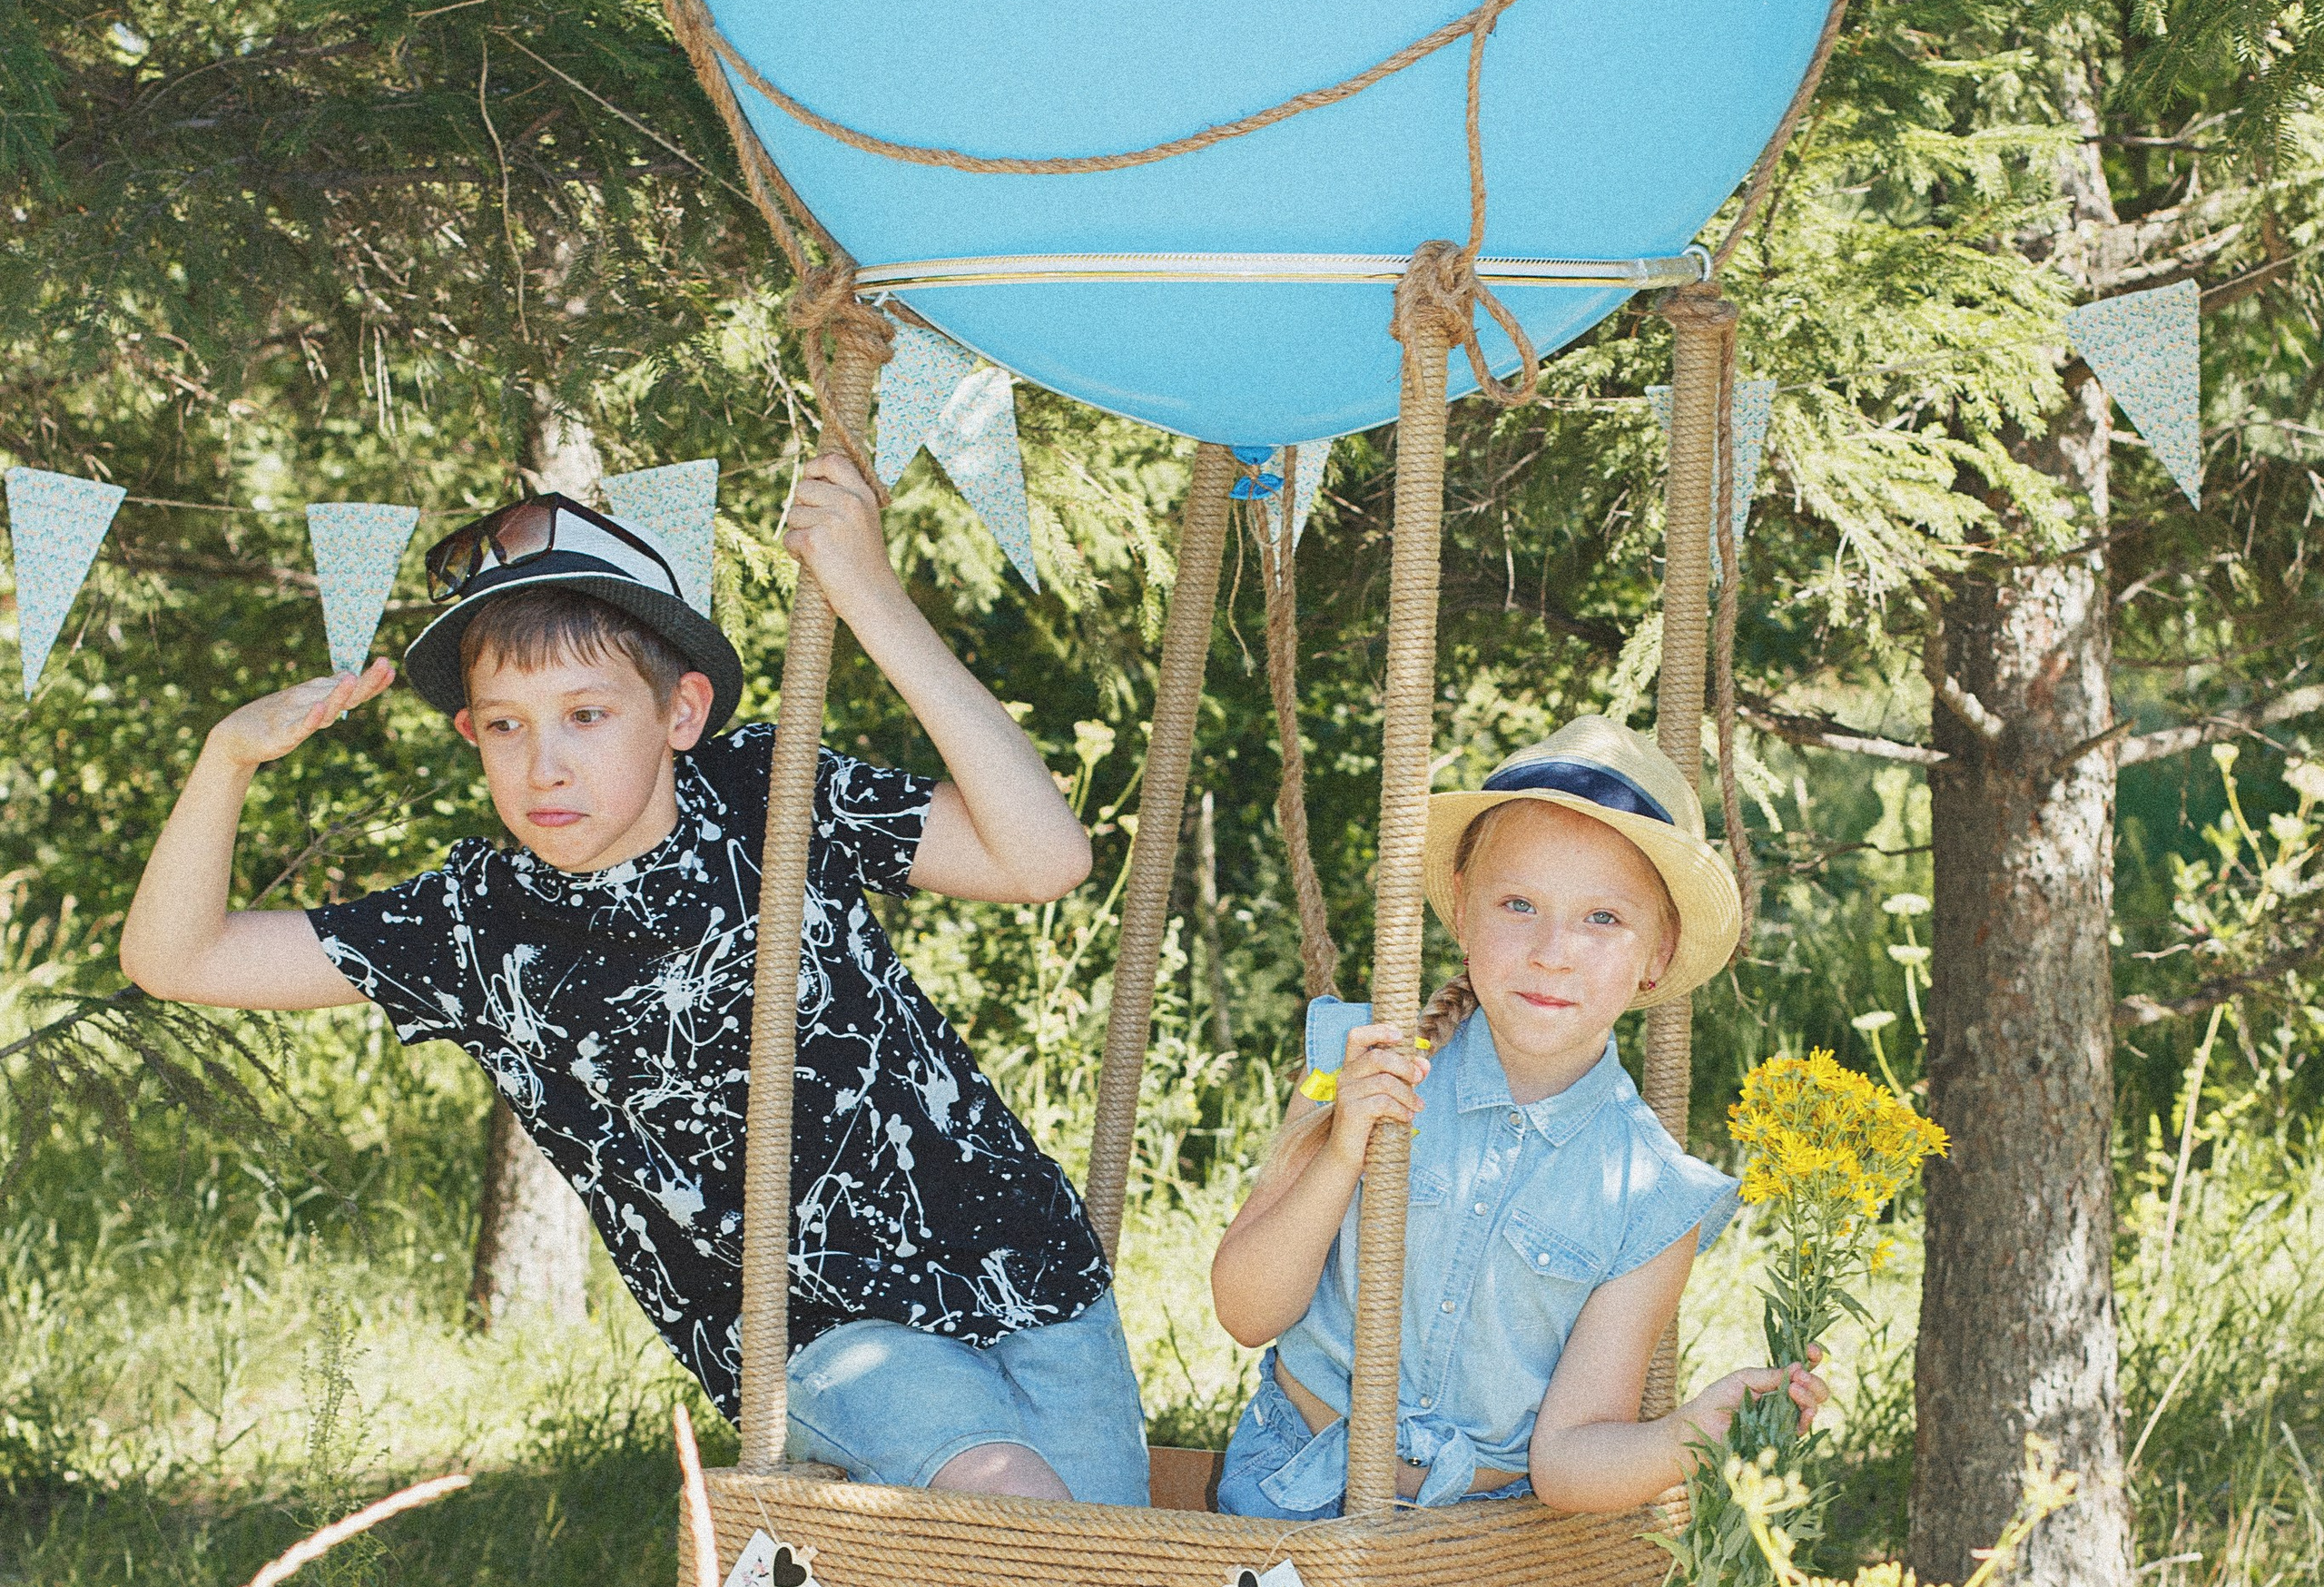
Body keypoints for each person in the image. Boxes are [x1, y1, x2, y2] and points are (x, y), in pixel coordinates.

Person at [120, 460, 1148, 1505]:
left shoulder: (769, 792)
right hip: (813, 1336)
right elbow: (177, 957)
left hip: (1026, 1265)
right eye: (507, 725)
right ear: (472, 735)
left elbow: (1043, 860)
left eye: (587, 715)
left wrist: (867, 594)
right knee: (1004, 1488)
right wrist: (227, 760)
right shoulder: (475, 928)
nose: (545, 765)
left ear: (681, 712)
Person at [1209, 713, 1824, 1519]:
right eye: (1519, 903)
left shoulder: (1652, 1197)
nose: (1553, 950)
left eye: (1604, 918)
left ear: (1660, 952)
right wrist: (1340, 1153)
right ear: (1462, 909)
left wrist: (1692, 1433)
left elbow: (1569, 1463)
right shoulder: (1361, 1060)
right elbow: (1246, 1312)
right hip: (1288, 1487)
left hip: (1480, 1541)